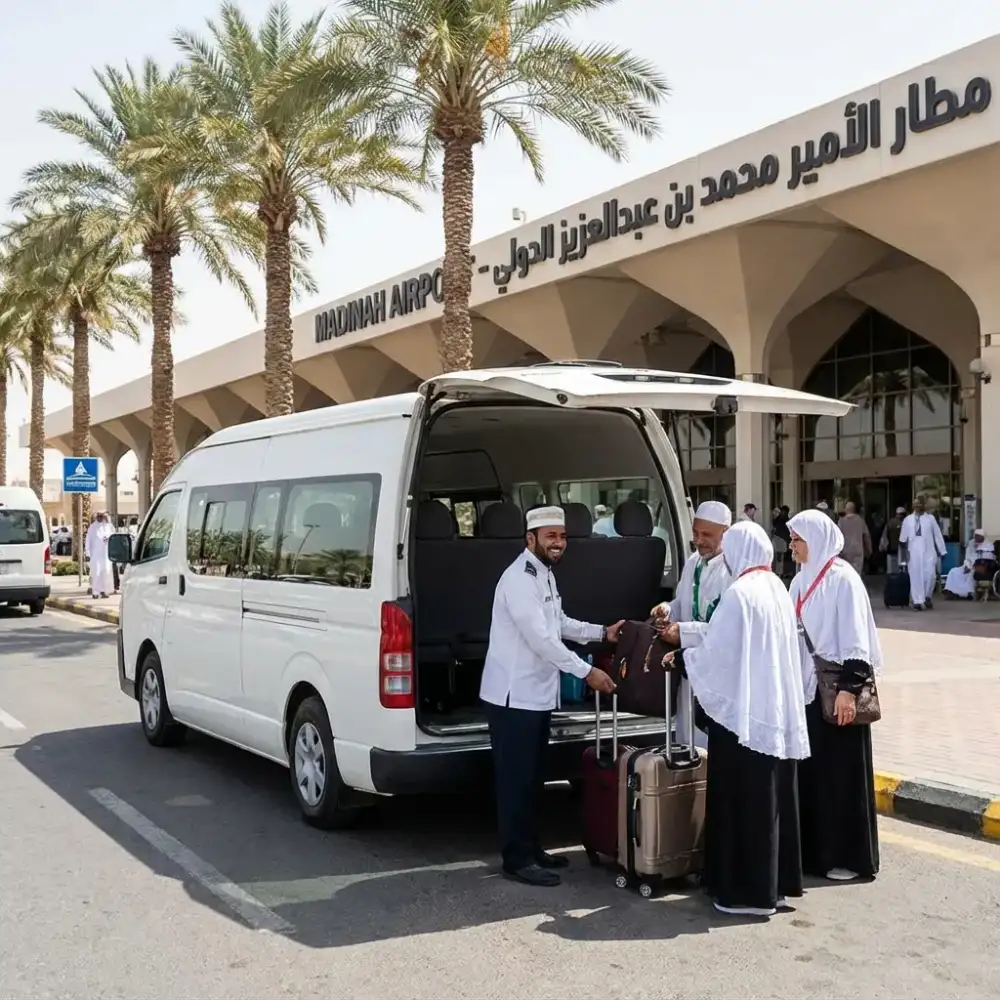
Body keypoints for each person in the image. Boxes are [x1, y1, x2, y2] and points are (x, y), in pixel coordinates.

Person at [665, 522, 808, 917]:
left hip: (743, 721)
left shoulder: (740, 593)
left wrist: (683, 659)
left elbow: (718, 654)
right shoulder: (776, 587)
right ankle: (774, 888)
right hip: (773, 712)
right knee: (772, 802)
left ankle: (744, 894)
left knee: (741, 804)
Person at [479, 505, 621, 887]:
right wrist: (587, 671)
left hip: (536, 695)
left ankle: (531, 848)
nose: (558, 543)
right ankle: (516, 858)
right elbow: (541, 640)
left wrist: (601, 632)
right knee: (516, 780)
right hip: (514, 697)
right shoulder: (519, 579)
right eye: (550, 537)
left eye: (562, 536)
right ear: (531, 540)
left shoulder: (543, 574)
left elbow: (558, 622)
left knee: (533, 778)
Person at [788, 509, 881, 883]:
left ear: (818, 540)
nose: (792, 545)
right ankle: (816, 854)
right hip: (808, 692)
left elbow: (857, 641)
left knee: (841, 777)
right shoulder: (798, 582)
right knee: (813, 776)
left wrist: (848, 691)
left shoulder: (844, 580)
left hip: (838, 692)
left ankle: (846, 856)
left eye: (798, 539)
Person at [652, 500, 733, 749]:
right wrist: (667, 609)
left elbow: (727, 629)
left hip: (717, 669)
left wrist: (683, 632)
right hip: (689, 664)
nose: (699, 541)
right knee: (686, 738)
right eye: (696, 534)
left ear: (726, 533)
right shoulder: (693, 562)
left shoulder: (733, 570)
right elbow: (683, 602)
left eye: (707, 535)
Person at [899, 497, 946, 610]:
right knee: (915, 577)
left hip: (929, 552)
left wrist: (942, 550)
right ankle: (917, 601)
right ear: (913, 507)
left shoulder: (930, 519)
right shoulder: (907, 520)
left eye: (920, 505)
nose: (918, 507)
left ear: (924, 506)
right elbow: (902, 540)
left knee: (930, 576)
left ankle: (927, 597)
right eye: (916, 505)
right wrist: (904, 557)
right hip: (913, 553)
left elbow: (937, 535)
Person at [943, 529, 995, 599]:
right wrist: (966, 566)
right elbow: (967, 557)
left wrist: (975, 566)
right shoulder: (971, 543)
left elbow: (989, 559)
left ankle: (968, 593)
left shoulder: (989, 545)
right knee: (954, 571)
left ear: (982, 537)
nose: (976, 538)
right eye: (975, 536)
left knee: (972, 574)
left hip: (980, 567)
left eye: (978, 536)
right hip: (969, 566)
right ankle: (950, 591)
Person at [85, 511, 114, 599]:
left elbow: (113, 537)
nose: (100, 518)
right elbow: (88, 540)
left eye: (102, 516)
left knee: (105, 572)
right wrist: (87, 553)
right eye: (99, 516)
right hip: (96, 555)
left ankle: (104, 591)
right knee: (96, 573)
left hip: (106, 555)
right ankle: (95, 592)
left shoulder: (108, 527)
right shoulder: (92, 527)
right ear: (97, 517)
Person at [838, 502, 871, 575]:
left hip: (845, 552)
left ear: (846, 510)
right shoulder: (860, 521)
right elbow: (866, 537)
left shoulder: (841, 522)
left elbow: (837, 537)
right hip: (858, 551)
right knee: (856, 574)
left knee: (846, 574)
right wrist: (869, 550)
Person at [880, 507, 905, 574]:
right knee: (901, 569)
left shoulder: (890, 523)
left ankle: (892, 581)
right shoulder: (905, 523)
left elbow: (884, 537)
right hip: (902, 550)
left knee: (891, 570)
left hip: (891, 549)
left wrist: (884, 547)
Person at [771, 505, 791, 577]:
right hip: (781, 539)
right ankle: (779, 572)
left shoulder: (782, 519)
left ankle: (779, 572)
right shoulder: (786, 519)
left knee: (779, 557)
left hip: (780, 539)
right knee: (780, 557)